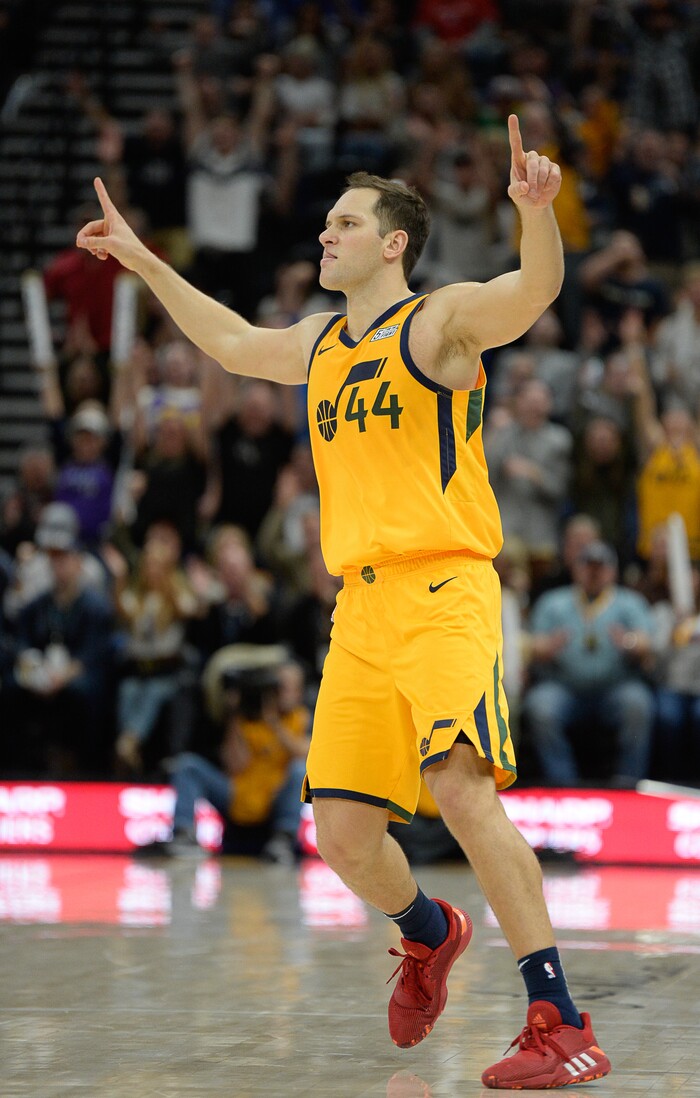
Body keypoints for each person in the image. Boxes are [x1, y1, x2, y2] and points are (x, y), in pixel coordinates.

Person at [76, 114, 611, 1089]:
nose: (324, 237)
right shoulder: (321, 344)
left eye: (343, 225)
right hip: (360, 608)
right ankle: (427, 932)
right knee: (346, 838)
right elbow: (234, 342)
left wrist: (536, 216)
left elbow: (531, 293)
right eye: (325, 226)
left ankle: (559, 1019)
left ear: (392, 241)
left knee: (458, 791)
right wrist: (144, 262)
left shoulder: (439, 321)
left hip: (446, 584)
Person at [522, 540, 656, 788]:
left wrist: (630, 642)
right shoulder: (554, 602)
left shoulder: (629, 602)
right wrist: (547, 646)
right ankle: (564, 785)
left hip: (615, 687)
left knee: (637, 703)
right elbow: (533, 642)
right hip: (566, 688)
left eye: (601, 566)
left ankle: (629, 784)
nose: (594, 572)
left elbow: (648, 641)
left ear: (612, 571)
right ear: (576, 568)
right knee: (541, 706)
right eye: (588, 565)